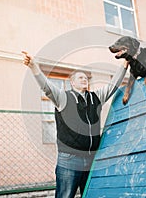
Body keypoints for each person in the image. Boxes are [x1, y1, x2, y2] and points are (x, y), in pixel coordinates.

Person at [22, 51, 128, 198]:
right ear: (72, 82)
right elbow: (46, 87)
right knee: (65, 196)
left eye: (86, 77)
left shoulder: (95, 98)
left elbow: (113, 85)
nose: (84, 79)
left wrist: (124, 65)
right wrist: (34, 66)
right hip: (69, 159)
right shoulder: (62, 98)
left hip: (91, 159)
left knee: (89, 195)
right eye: (80, 77)